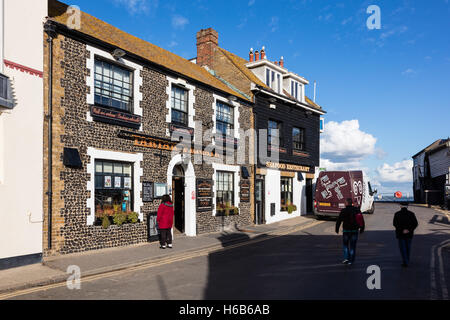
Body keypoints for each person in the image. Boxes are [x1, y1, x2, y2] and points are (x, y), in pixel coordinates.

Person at [335, 198, 365, 265]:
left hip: (346, 231)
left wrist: (337, 228)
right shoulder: (357, 210)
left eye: (345, 202)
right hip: (354, 231)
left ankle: (346, 258)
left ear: (346, 203)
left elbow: (339, 220)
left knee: (345, 245)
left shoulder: (343, 211)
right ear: (352, 203)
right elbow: (361, 220)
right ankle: (351, 260)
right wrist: (362, 228)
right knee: (353, 246)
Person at [393, 202, 418, 268]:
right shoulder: (411, 214)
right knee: (408, 247)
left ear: (400, 206)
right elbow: (415, 224)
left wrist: (402, 230)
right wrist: (409, 230)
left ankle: (405, 261)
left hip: (400, 234)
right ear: (407, 206)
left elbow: (395, 224)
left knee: (402, 248)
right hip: (409, 234)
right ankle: (407, 260)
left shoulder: (397, 214)